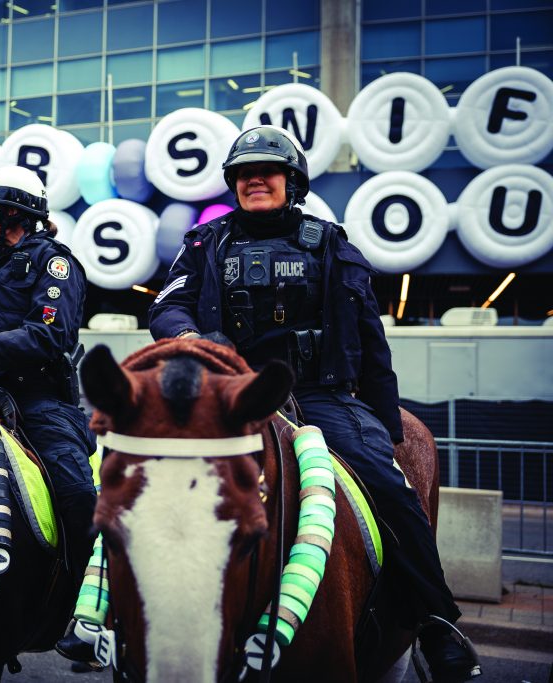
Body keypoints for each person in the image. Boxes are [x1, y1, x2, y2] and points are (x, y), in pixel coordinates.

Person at [148, 125, 479, 682]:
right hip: (235, 394)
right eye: (243, 172)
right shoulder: (205, 244)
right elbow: (168, 307)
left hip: (319, 397)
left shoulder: (329, 241)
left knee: (388, 485)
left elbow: (371, 339)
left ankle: (435, 622)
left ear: (291, 181)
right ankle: (113, 611)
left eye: (267, 171)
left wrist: (383, 419)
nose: (255, 179)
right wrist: (196, 343)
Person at [0, 166, 98, 663]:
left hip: (41, 401)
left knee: (79, 493)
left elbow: (51, 335)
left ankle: (92, 609)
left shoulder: (54, 264)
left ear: (13, 211)